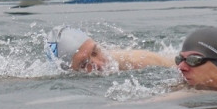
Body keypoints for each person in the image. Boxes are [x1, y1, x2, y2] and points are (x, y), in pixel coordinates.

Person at [46, 26, 174, 73]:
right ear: (68, 70)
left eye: (95, 52)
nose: (99, 64)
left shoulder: (137, 61)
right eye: (84, 64)